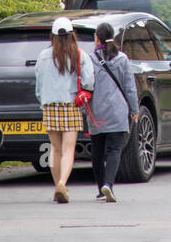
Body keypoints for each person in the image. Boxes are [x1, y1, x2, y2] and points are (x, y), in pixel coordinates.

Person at [35, 17, 94, 204]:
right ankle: (63, 183)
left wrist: (42, 100)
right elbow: (88, 81)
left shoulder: (43, 56)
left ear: (52, 36)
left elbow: (39, 85)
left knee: (55, 148)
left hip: (50, 104)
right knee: (69, 149)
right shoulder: (79, 54)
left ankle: (57, 186)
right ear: (71, 34)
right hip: (70, 104)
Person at [88, 21, 138, 203]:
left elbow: (86, 83)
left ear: (97, 38)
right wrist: (134, 109)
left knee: (97, 151)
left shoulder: (90, 58)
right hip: (117, 110)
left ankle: (101, 188)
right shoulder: (122, 58)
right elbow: (129, 87)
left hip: (97, 111)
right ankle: (108, 184)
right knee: (114, 150)